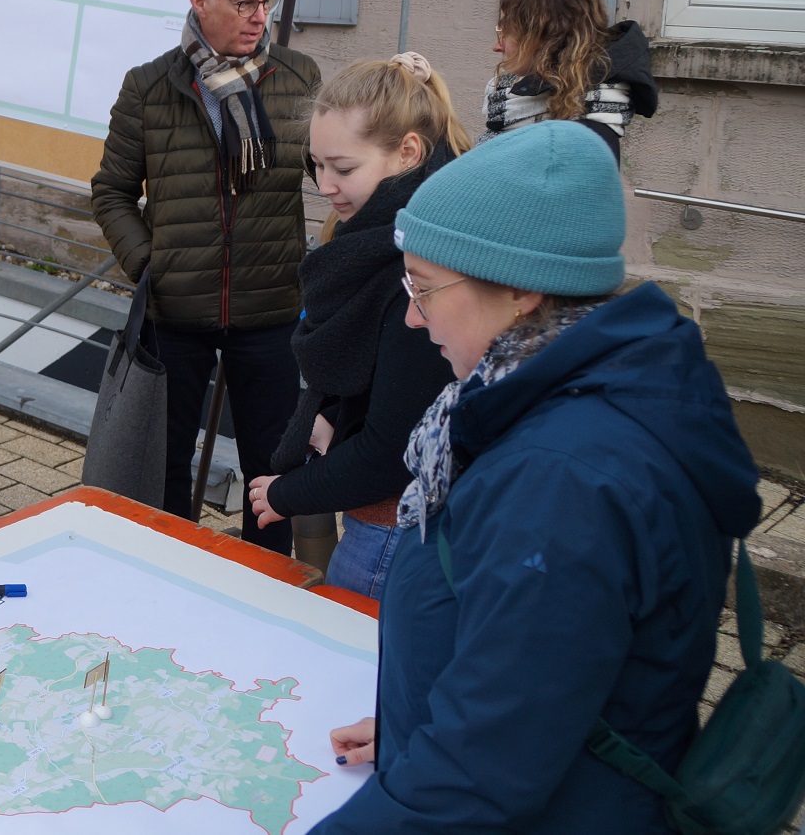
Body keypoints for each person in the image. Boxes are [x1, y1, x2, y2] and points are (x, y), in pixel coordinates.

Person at [317, 120, 761, 832]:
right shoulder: (562, 391)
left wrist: (438, 751)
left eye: (425, 287)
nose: (410, 313)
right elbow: (530, 672)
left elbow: (479, 773)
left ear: (522, 290)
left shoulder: (562, 482)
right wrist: (414, 722)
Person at [91, 0, 318, 553]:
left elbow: (339, 171)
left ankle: (262, 585)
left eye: (266, 2)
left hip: (270, 314)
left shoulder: (300, 79)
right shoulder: (149, 87)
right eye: (246, 2)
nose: (259, 16)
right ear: (200, 2)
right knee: (163, 468)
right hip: (177, 314)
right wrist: (150, 266)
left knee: (271, 471)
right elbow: (111, 192)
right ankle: (168, 573)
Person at [244, 53, 468, 598]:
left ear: (407, 153)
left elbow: (395, 445)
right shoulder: (374, 233)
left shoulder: (415, 265)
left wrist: (288, 493)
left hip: (395, 527)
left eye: (343, 168)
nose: (325, 185)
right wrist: (334, 419)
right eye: (316, 164)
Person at [485, 0, 657, 162]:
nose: (497, 46)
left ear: (545, 37)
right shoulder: (519, 110)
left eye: (505, 30)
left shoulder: (583, 139)